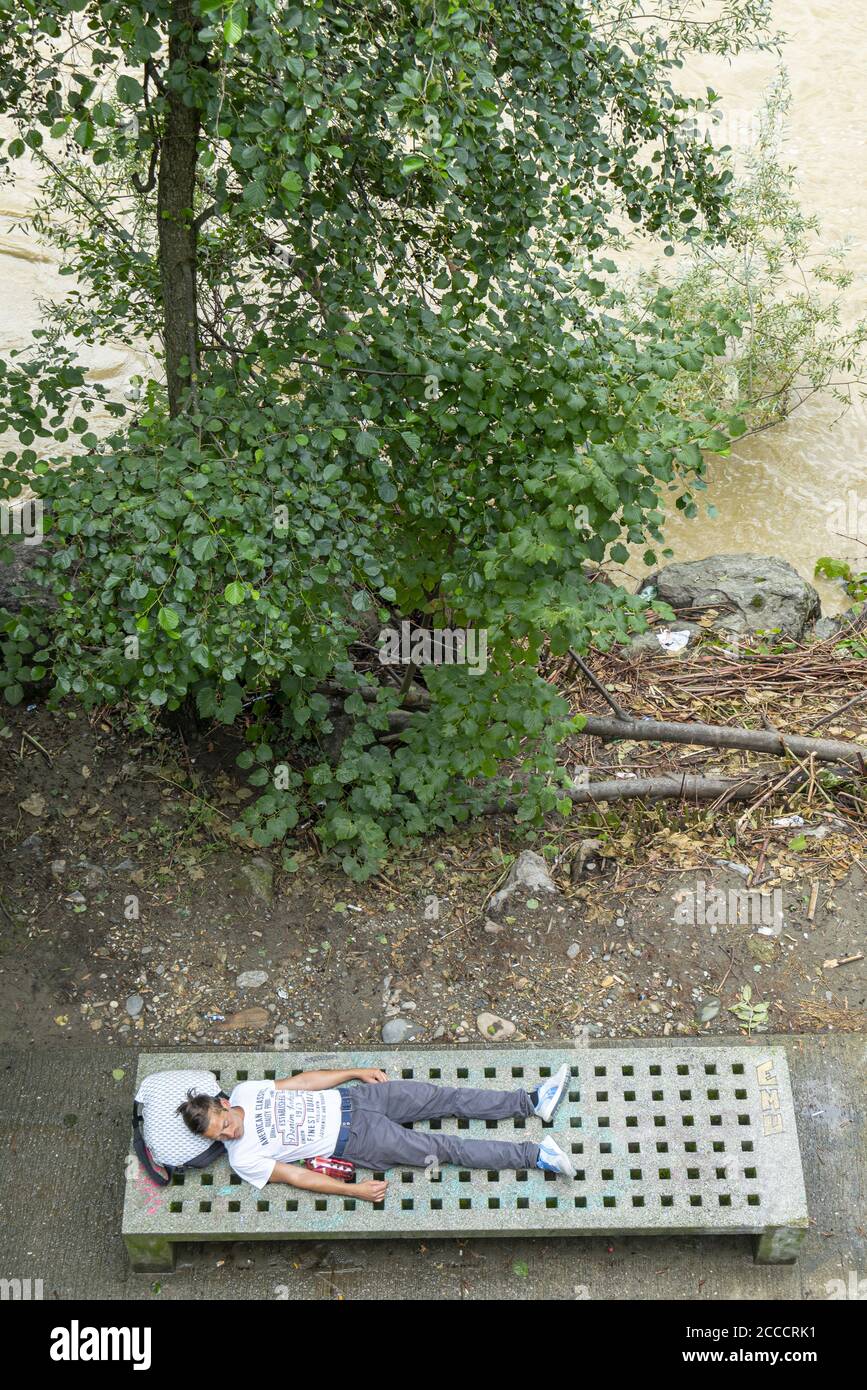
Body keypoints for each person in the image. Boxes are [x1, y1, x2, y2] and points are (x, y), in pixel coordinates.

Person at [178, 1062, 575, 1203]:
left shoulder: (248, 1091)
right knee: (445, 1146)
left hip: (360, 1099)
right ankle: (537, 1157)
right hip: (359, 1141)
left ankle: (530, 1102)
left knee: (445, 1098)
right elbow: (296, 1176)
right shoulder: (243, 1159)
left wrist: (352, 1071)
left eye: (225, 1124)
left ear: (224, 1104)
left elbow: (304, 1082)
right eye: (219, 1137)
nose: (228, 1135)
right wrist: (354, 1190)